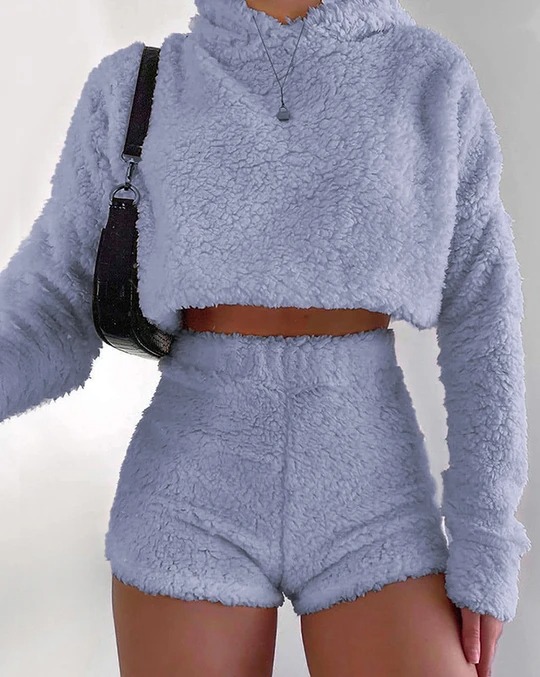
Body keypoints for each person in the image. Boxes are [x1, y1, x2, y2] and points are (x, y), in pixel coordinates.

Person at [1, 0, 530, 675]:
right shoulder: (137, 87)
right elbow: (53, 296)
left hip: (374, 491)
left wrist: (488, 538)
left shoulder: (428, 76)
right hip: (189, 487)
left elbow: (483, 314)